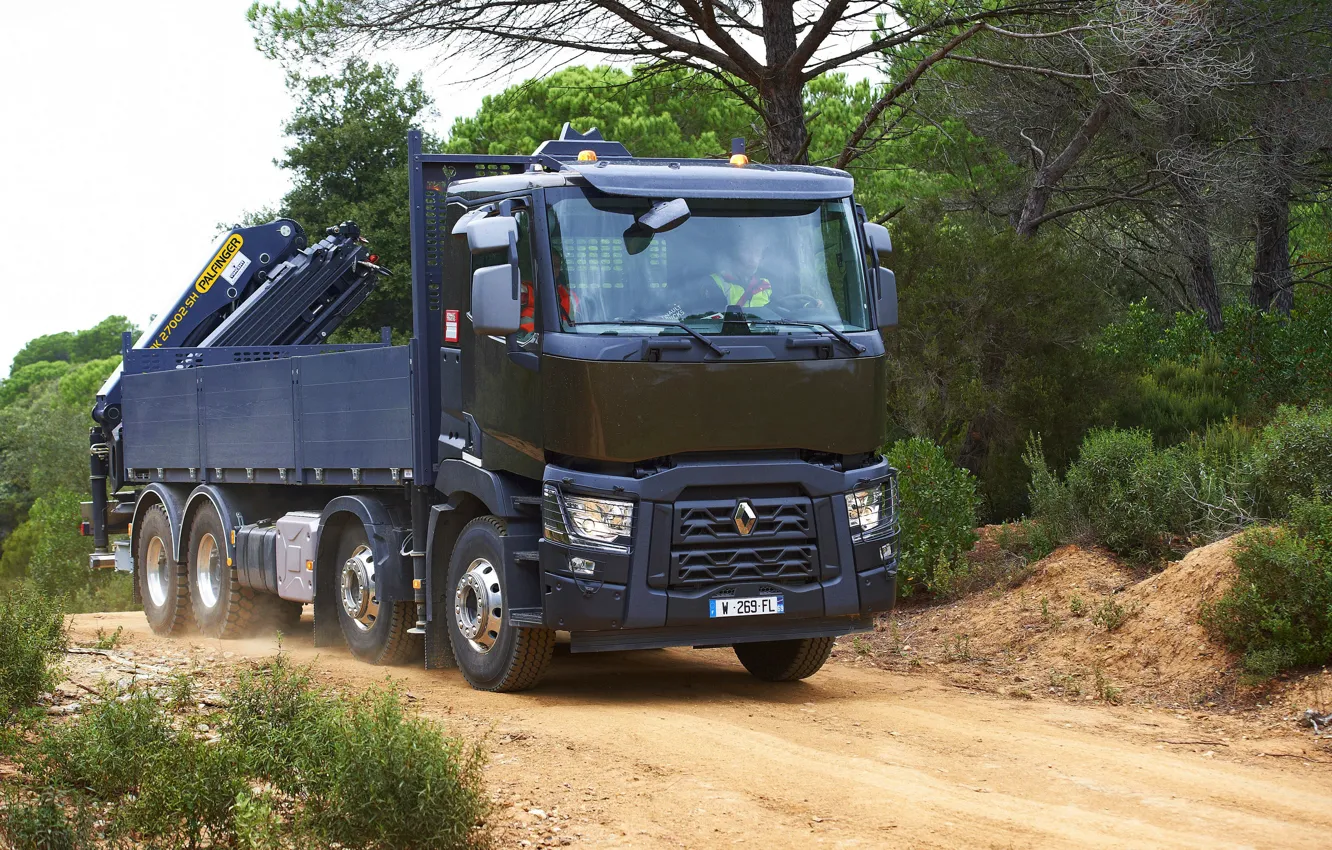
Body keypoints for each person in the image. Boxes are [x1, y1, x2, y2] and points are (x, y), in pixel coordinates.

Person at [710, 239, 772, 310]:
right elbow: (715, 319)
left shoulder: (765, 284)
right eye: (747, 251)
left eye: (757, 252)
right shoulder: (715, 282)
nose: (753, 259)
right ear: (734, 254)